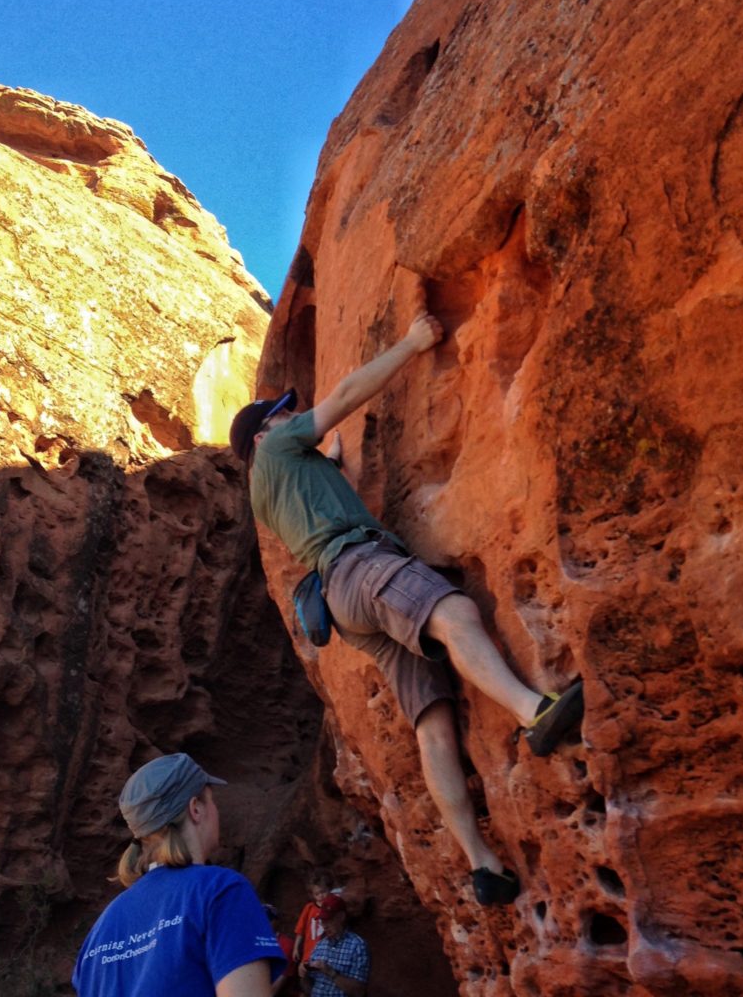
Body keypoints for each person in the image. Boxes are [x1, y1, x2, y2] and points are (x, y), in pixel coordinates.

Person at [229, 280, 584, 905]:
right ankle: (536, 712)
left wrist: (334, 465)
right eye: (282, 411)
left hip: (344, 601)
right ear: (263, 434)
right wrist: (413, 343)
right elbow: (342, 397)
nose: (291, 413)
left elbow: (321, 496)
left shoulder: (265, 490)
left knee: (433, 721)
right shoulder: (280, 442)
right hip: (364, 566)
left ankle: (482, 864)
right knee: (452, 611)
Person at [73, 753, 287, 997]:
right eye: (212, 801)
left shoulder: (101, 931)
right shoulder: (221, 891)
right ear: (195, 809)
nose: (216, 810)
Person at [298, 895, 368, 997]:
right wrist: (303, 975)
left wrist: (331, 972)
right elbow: (308, 989)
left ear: (341, 917)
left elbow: (359, 991)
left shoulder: (357, 946)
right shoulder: (320, 945)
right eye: (322, 921)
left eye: (328, 920)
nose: (324, 925)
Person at [292, 869, 336, 969]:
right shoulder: (309, 908)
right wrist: (296, 948)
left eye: (323, 892)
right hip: (309, 952)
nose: (321, 896)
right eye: (317, 894)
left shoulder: (333, 906)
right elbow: (300, 930)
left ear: (329, 889)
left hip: (328, 953)